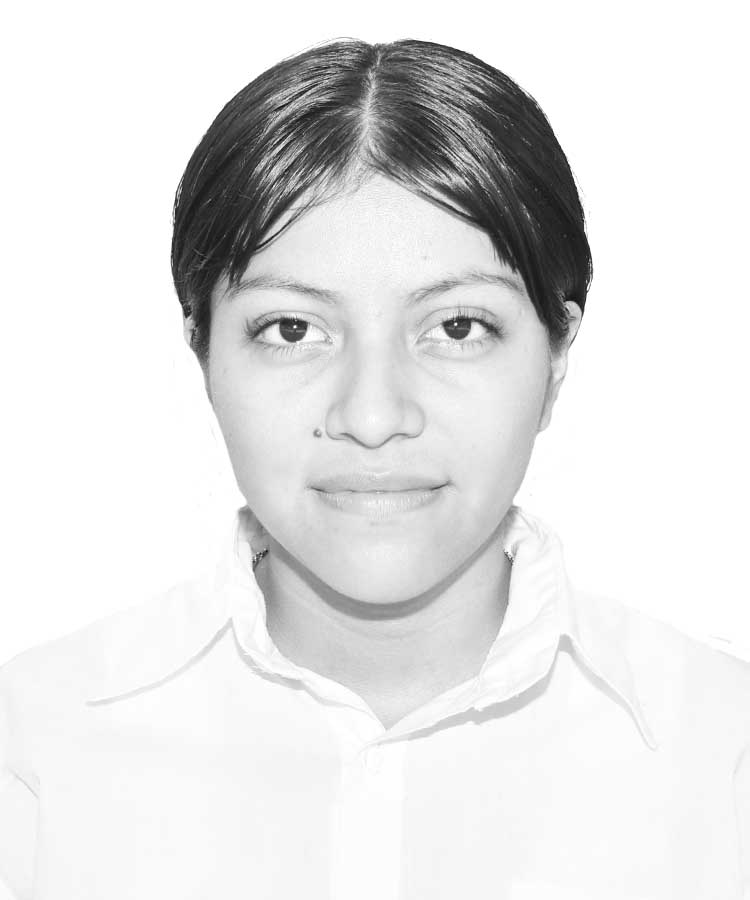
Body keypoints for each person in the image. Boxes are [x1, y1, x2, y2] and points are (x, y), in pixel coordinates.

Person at [1, 37, 748, 900]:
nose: (373, 415)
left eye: (459, 327)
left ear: (556, 357)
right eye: (292, 330)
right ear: (202, 354)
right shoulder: (35, 751)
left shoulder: (723, 753)